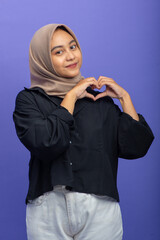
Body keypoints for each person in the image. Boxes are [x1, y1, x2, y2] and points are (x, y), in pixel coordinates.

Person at [13, 24, 154, 240]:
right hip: (47, 211)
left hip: (100, 209)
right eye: (58, 52)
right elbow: (46, 143)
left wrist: (125, 99)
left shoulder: (99, 101)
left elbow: (136, 147)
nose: (70, 56)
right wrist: (70, 97)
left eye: (73, 47)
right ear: (42, 58)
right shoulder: (29, 100)